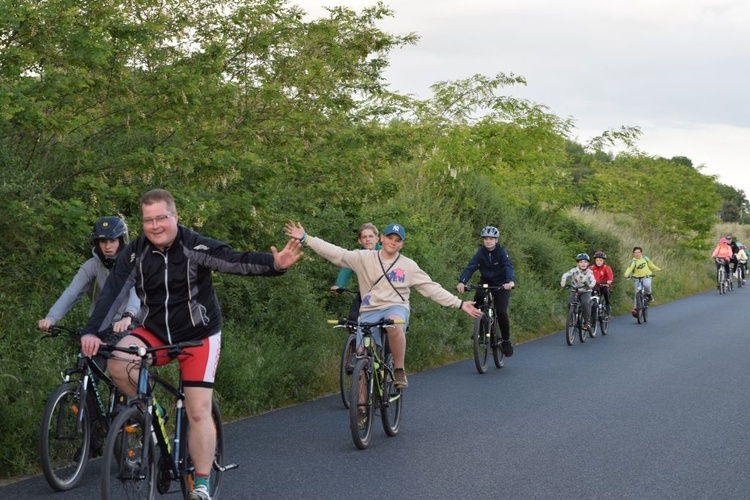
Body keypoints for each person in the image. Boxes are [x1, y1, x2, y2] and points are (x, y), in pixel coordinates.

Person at [80, 189, 303, 500]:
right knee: (118, 360)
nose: (155, 225)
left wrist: (274, 264)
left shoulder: (193, 245)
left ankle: (201, 482)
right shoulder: (135, 253)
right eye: (148, 220)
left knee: (198, 411)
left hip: (198, 335)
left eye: (161, 218)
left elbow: (233, 260)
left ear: (175, 217)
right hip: (155, 330)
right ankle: (151, 412)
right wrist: (93, 332)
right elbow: (113, 293)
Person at [284, 220, 482, 390]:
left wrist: (459, 303)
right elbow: (336, 253)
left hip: (396, 306)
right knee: (361, 358)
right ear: (382, 239)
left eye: (397, 240)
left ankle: (399, 370)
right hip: (370, 309)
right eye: (389, 238)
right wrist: (306, 238)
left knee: (394, 324)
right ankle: (361, 409)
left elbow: (431, 288)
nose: (392, 243)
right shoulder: (363, 258)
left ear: (402, 244)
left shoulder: (409, 265)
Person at [38, 216, 139, 335]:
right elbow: (71, 293)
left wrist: (129, 315)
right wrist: (51, 318)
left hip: (130, 324)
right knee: (86, 353)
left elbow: (136, 291)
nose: (107, 246)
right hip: (100, 326)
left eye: (112, 241)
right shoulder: (92, 265)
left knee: (120, 353)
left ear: (122, 241)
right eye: (103, 241)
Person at [455, 226, 516, 357]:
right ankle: (480, 328)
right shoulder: (480, 253)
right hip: (486, 283)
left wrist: (510, 282)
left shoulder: (501, 252)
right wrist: (462, 281)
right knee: (477, 302)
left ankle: (506, 341)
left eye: (491, 239)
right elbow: (471, 267)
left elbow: (508, 266)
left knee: (501, 312)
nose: (488, 241)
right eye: (486, 239)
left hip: (501, 285)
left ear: (496, 240)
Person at [331, 223, 380, 321]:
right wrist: (339, 285)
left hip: (384, 296)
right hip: (365, 294)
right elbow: (346, 269)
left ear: (377, 239)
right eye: (364, 237)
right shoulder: (357, 255)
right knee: (353, 318)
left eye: (371, 236)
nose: (367, 239)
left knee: (388, 324)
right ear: (360, 240)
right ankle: (355, 336)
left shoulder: (385, 253)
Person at [560, 253, 596, 331]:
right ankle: (571, 319)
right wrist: (563, 281)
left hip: (585, 291)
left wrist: (591, 285)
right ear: (578, 263)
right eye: (581, 262)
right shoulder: (574, 270)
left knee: (585, 303)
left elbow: (593, 280)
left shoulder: (589, 272)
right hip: (575, 290)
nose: (583, 264)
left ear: (588, 263)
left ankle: (587, 322)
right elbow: (565, 275)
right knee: (570, 302)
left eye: (585, 262)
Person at [623, 246, 661, 314]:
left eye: (638, 252)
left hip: (646, 276)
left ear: (641, 253)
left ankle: (649, 295)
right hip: (637, 278)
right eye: (635, 253)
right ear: (633, 254)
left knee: (647, 285)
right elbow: (629, 269)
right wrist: (626, 274)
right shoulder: (633, 262)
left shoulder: (645, 258)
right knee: (637, 293)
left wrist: (658, 269)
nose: (637, 254)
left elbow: (651, 265)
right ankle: (636, 309)